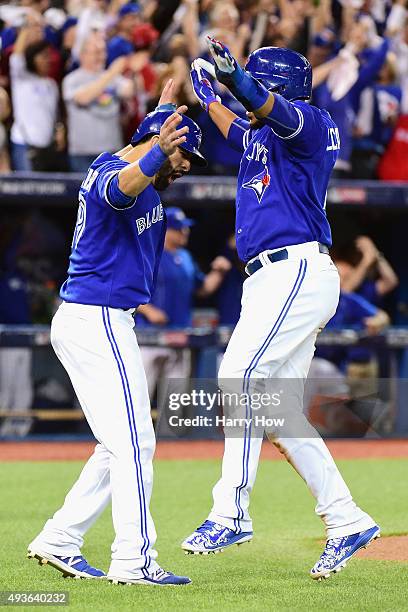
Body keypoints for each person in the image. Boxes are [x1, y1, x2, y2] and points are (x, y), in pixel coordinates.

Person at [182, 40, 380, 580]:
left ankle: (231, 513)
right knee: (278, 415)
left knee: (238, 377)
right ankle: (347, 520)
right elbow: (237, 123)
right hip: (271, 277)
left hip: (294, 269)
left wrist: (235, 80)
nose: (252, 98)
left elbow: (265, 105)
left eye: (259, 86)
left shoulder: (309, 124)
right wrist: (207, 94)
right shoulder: (261, 137)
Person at [27, 80, 206, 586]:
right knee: (135, 442)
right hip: (98, 317)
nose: (186, 164)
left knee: (117, 442)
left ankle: (61, 538)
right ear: (157, 146)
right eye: (182, 154)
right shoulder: (117, 175)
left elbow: (141, 152)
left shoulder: (129, 158)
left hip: (94, 317)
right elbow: (121, 185)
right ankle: (134, 561)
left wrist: (163, 111)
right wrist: (155, 153)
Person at [136, 206, 231, 401]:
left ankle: (167, 433)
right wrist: (148, 309)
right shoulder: (148, 254)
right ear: (166, 230)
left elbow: (203, 288)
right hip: (148, 338)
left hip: (180, 335)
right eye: (179, 228)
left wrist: (219, 271)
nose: (185, 232)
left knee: (174, 405)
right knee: (139, 398)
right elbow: (125, 288)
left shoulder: (186, 258)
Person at [62, 32, 134, 173]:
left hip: (112, 152)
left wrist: (132, 70)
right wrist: (111, 73)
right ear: (82, 55)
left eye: (102, 51)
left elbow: (128, 90)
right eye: (96, 52)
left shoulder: (113, 77)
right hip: (83, 153)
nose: (100, 56)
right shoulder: (72, 79)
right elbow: (83, 98)